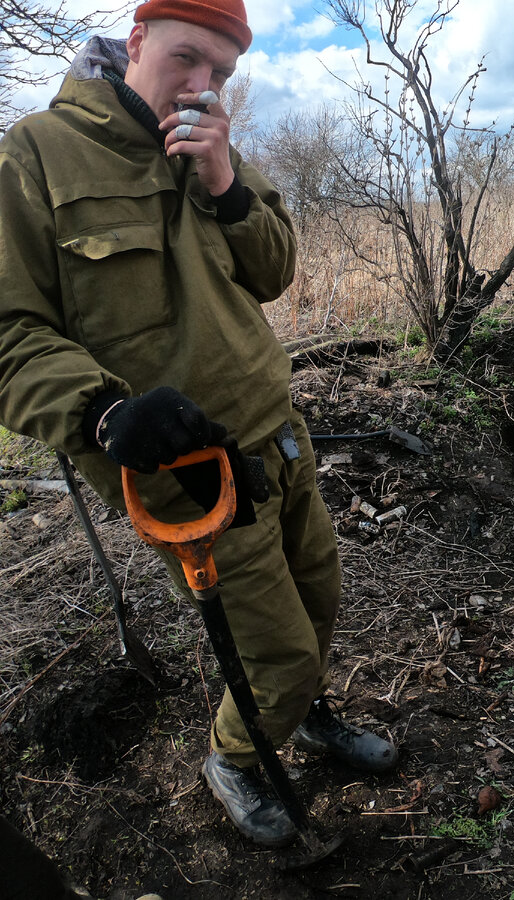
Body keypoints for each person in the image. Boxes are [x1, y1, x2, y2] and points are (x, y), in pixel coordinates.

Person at [0, 0, 396, 849]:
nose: (200, 87)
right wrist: (103, 412)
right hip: (189, 473)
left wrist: (225, 184)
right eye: (186, 59)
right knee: (279, 653)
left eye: (219, 74)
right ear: (134, 40)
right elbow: (9, 335)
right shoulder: (35, 154)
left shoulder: (213, 141)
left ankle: (300, 715)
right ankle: (236, 760)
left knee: (318, 597)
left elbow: (275, 267)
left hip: (280, 437)